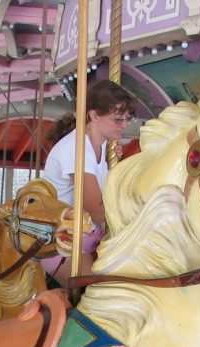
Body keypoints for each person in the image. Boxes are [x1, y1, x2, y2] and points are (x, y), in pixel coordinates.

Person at [41, 79, 136, 285]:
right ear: (94, 115)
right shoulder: (76, 149)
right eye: (118, 119)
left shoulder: (103, 149)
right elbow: (98, 211)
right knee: (96, 293)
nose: (125, 125)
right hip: (63, 241)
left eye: (127, 118)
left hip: (91, 237)